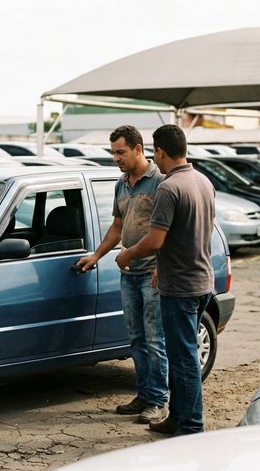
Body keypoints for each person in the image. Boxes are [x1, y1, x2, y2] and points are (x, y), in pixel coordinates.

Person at [116, 124, 215, 436]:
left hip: (180, 286)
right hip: (202, 281)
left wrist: (129, 254)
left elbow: (155, 240)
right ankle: (177, 416)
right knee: (179, 355)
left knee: (183, 360)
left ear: (159, 152)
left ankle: (191, 426)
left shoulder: (169, 188)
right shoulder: (202, 181)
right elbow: (205, 228)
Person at [76, 125, 169, 425]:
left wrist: (162, 266)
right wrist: (96, 255)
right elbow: (118, 227)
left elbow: (170, 231)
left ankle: (158, 400)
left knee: (155, 339)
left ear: (138, 149)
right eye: (113, 152)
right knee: (136, 338)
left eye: (121, 152)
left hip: (153, 274)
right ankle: (144, 394)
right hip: (129, 274)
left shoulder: (161, 182)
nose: (116, 158)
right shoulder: (121, 184)